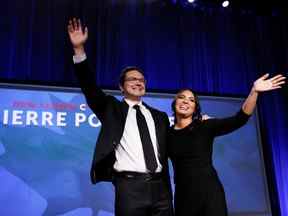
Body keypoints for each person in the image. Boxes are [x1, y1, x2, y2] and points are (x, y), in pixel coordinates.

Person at [67, 18, 173, 216]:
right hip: (129, 188)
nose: (138, 82)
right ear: (121, 87)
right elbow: (89, 87)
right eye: (132, 79)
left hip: (161, 190)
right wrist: (79, 50)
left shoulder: (159, 117)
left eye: (141, 80)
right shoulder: (111, 108)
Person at [168, 74, 286, 216]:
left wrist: (254, 91)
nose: (186, 101)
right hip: (183, 197)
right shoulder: (167, 133)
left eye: (191, 100)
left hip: (209, 194)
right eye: (181, 97)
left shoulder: (205, 126)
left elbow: (240, 119)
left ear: (195, 108)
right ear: (174, 103)